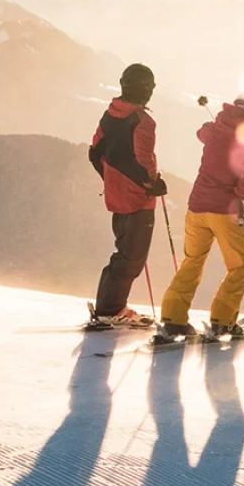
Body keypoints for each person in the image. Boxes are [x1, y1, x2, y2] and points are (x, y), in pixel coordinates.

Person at [155, 92, 244, 343]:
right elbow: (243, 188)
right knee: (240, 265)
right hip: (225, 211)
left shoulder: (214, 130)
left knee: (193, 261)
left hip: (196, 207)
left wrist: (218, 125)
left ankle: (173, 318)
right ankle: (223, 321)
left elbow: (201, 132)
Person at [88, 63, 167, 327]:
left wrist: (112, 179)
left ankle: (109, 307)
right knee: (132, 258)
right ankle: (110, 310)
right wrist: (152, 184)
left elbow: (94, 152)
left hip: (116, 197)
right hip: (138, 201)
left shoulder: (110, 115)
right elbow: (142, 161)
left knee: (123, 253)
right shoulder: (143, 122)